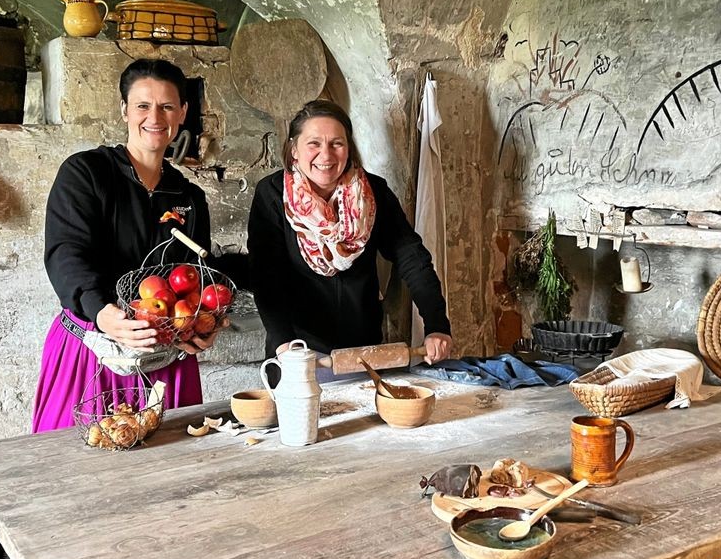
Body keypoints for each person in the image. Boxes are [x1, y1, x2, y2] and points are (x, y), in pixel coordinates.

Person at [33, 58, 221, 433]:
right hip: (91, 348)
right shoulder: (86, 173)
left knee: (169, 474)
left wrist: (201, 323)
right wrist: (100, 313)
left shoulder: (188, 196)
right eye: (143, 105)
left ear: (182, 113)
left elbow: (192, 278)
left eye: (167, 106)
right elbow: (66, 252)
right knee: (72, 470)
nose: (155, 116)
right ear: (124, 111)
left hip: (165, 356)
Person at [247, 99, 452, 365]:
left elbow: (412, 257)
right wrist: (284, 342)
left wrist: (436, 324)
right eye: (314, 144)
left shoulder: (373, 193)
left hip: (362, 351)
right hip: (297, 352)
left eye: (337, 143)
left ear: (349, 148)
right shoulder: (273, 195)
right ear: (294, 150)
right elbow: (265, 275)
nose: (326, 155)